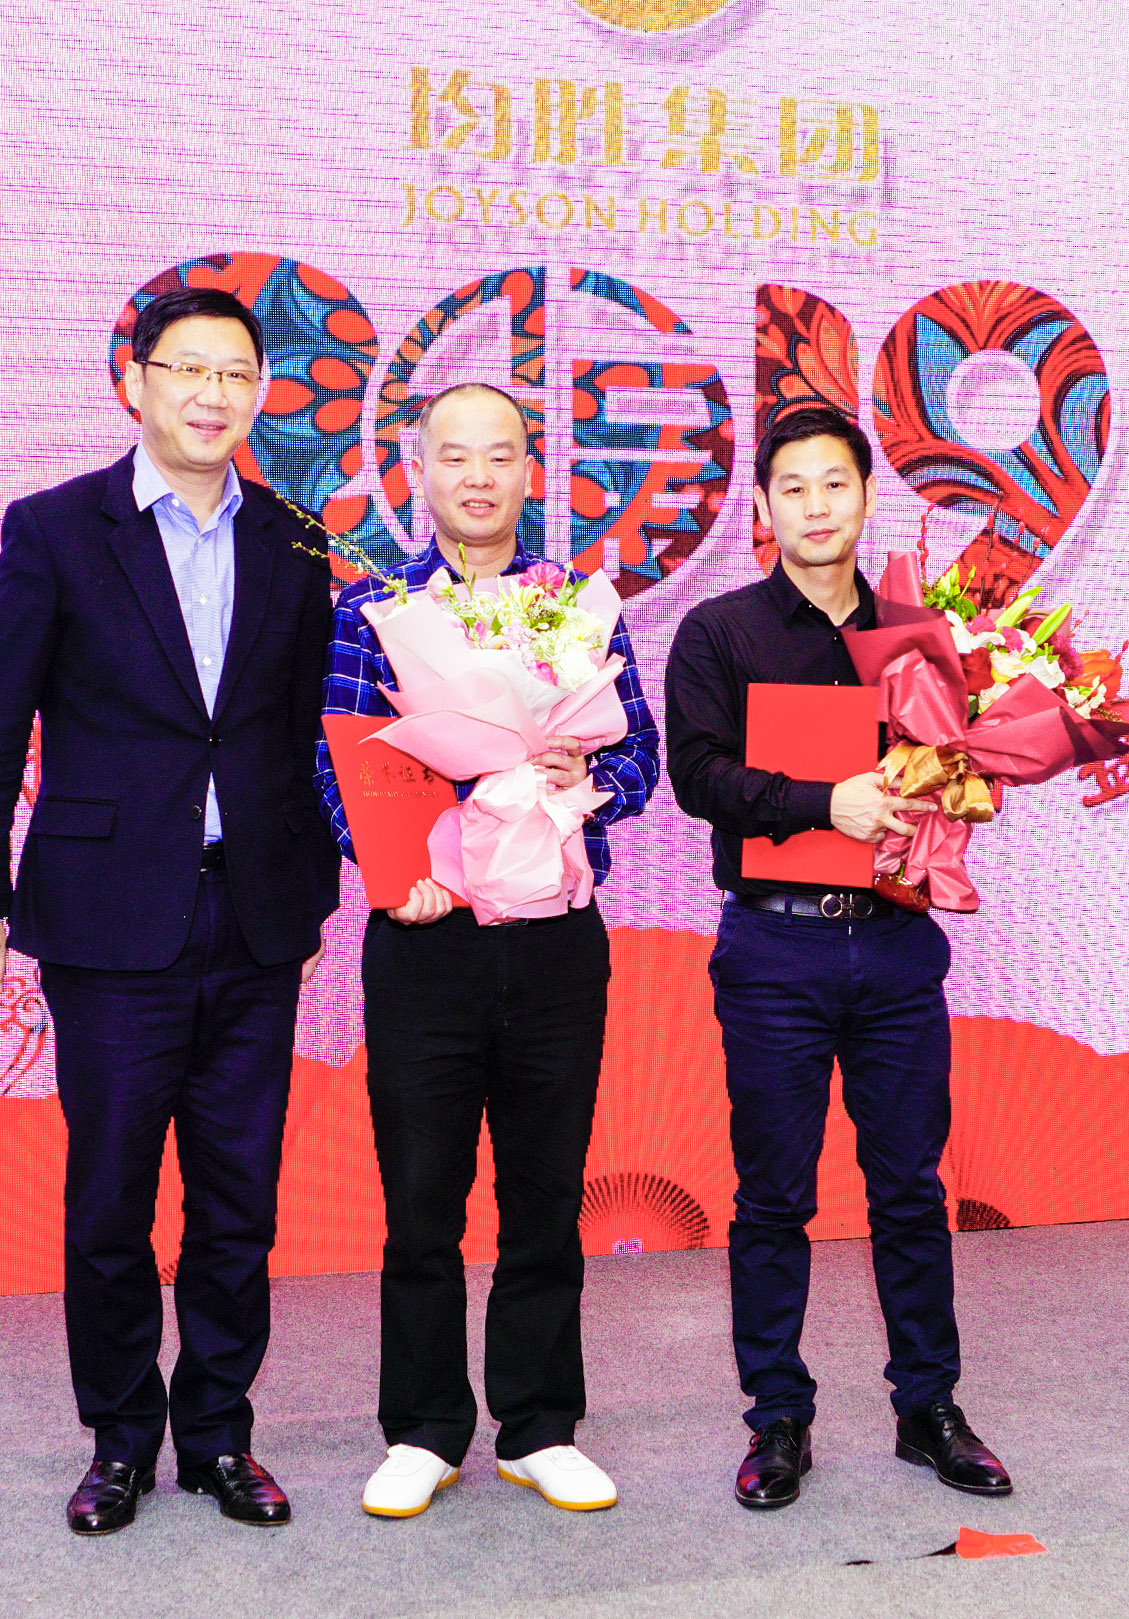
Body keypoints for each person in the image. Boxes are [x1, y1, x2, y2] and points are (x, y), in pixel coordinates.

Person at [0, 285, 339, 1535]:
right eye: (188, 370)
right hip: (111, 921)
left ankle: (219, 1431)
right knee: (111, 1196)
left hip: (254, 917)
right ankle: (119, 1438)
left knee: (239, 1200)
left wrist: (315, 885)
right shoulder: (58, 528)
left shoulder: (295, 538)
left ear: (259, 395)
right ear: (135, 382)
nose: (212, 395)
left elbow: (294, 734)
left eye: (236, 374)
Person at [314, 382, 659, 1519]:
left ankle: (539, 1424)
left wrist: (584, 776)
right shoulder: (372, 609)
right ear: (419, 471)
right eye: (454, 456)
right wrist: (390, 869)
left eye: (499, 455)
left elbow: (641, 755)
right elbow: (335, 762)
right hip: (425, 940)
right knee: (421, 1195)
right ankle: (422, 1428)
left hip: (556, 939)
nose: (476, 476)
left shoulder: (578, 606)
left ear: (528, 471)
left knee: (545, 1192)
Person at [661, 404, 1013, 1511]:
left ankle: (929, 1406)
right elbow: (697, 777)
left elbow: (961, 763)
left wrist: (959, 783)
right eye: (793, 487)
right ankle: (777, 1415)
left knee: (909, 1186)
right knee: (773, 1192)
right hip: (775, 946)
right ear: (764, 508)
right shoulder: (718, 632)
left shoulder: (920, 634)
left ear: (866, 497)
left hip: (897, 945)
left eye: (835, 483)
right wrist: (827, 801)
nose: (815, 505)